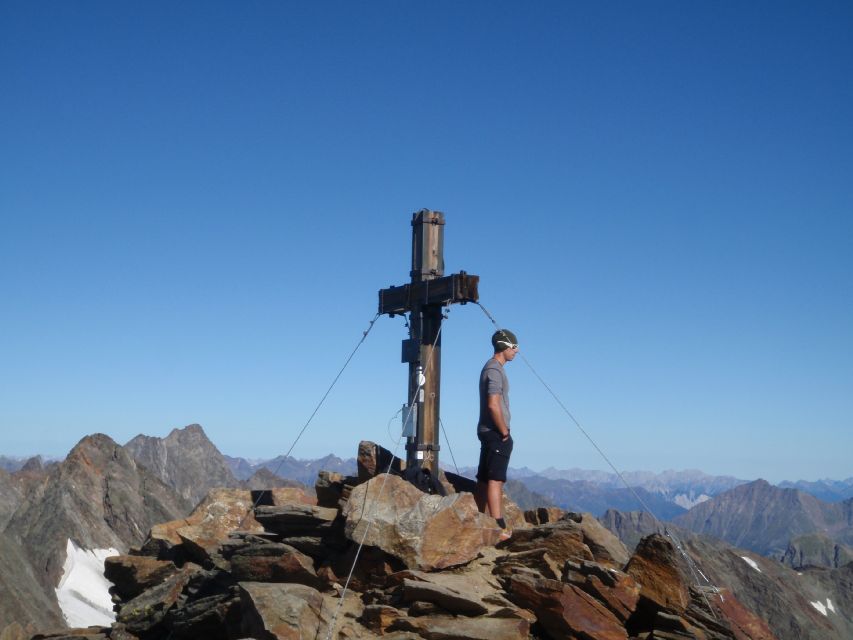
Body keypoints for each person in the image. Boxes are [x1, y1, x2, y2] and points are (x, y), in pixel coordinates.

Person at [475, 328, 518, 541]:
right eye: (514, 347)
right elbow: (493, 404)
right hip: (495, 432)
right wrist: (504, 432)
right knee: (495, 479)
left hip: (487, 430)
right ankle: (498, 527)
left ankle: (479, 523)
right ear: (504, 346)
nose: (516, 351)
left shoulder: (491, 368)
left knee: (484, 478)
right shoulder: (495, 370)